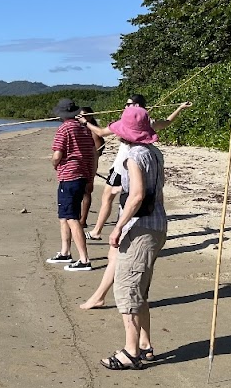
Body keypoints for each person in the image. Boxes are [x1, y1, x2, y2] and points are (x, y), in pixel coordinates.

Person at [77, 96, 190, 310]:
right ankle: (100, 295)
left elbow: (138, 196)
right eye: (127, 105)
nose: (129, 107)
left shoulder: (138, 152)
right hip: (142, 202)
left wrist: (85, 122)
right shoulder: (152, 149)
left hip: (136, 202)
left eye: (133, 105)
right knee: (110, 206)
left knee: (118, 255)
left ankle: (100, 294)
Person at [97, 105, 167, 369]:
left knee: (128, 289)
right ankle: (145, 345)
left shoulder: (134, 157)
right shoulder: (155, 153)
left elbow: (137, 195)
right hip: (157, 224)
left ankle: (131, 351)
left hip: (141, 227)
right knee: (141, 289)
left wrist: (117, 227)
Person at [46, 98, 98, 271]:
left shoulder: (64, 129)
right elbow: (92, 155)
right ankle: (65, 252)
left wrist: (54, 164)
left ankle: (84, 260)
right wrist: (90, 178)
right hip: (81, 176)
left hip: (70, 177)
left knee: (71, 218)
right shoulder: (84, 129)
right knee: (64, 216)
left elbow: (57, 154)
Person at [77, 107, 105, 230]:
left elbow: (97, 153)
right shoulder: (79, 129)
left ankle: (83, 220)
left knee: (86, 192)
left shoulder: (94, 132)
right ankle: (77, 217)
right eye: (79, 116)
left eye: (83, 116)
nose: (80, 118)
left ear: (90, 117)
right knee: (77, 192)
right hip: (79, 165)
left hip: (89, 165)